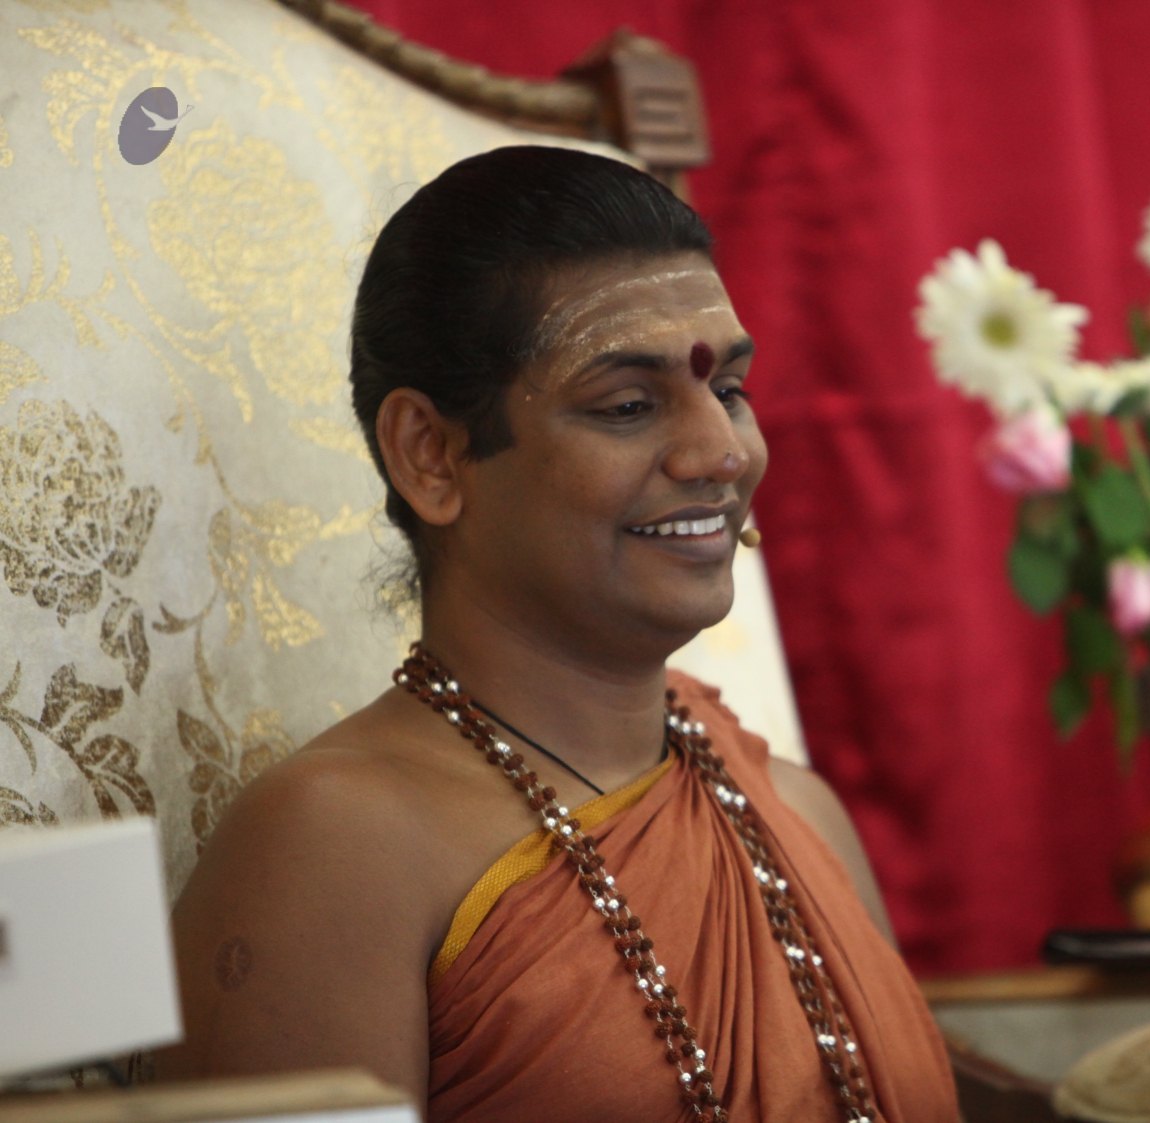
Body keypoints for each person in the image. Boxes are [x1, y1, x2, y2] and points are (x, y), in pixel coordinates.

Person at [158, 146, 959, 1122]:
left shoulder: (799, 813)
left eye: (730, 391)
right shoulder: (337, 849)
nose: (722, 450)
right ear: (431, 454)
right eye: (627, 405)